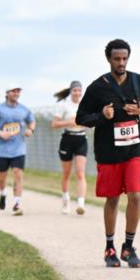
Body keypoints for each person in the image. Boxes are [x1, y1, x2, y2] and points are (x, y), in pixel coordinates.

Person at [76, 39, 140, 268]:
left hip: (135, 148)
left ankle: (128, 247)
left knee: (136, 195)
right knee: (112, 199)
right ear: (109, 59)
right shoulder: (98, 87)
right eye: (117, 58)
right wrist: (102, 116)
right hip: (109, 151)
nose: (121, 62)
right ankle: (110, 246)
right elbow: (81, 118)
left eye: (125, 58)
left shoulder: (139, 81)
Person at [0, 86, 36, 216]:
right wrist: (0, 133)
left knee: (18, 173)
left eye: (18, 91)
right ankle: (3, 193)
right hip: (1, 150)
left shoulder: (24, 109)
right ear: (7, 93)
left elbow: (32, 121)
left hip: (18, 148)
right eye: (13, 91)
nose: (16, 93)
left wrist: (30, 130)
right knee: (2, 177)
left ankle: (17, 204)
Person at [51, 81, 88, 215]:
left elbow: (90, 123)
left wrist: (88, 122)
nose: (77, 93)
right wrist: (70, 122)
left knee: (80, 172)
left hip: (81, 139)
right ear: (71, 91)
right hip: (67, 139)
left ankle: (81, 204)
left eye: (79, 90)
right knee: (66, 173)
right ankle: (65, 200)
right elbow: (54, 124)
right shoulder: (63, 105)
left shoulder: (86, 104)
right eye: (75, 91)